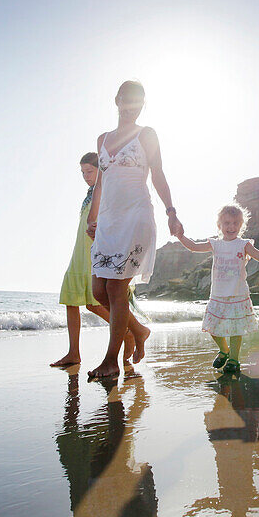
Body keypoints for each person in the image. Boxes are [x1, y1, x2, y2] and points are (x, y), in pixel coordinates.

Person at [86, 80, 183, 379]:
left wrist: (171, 212)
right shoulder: (102, 138)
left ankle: (111, 360)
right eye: (127, 101)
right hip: (108, 221)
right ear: (116, 100)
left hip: (136, 217)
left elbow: (158, 174)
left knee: (116, 288)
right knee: (98, 290)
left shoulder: (146, 134)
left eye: (137, 103)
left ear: (142, 106)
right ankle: (138, 330)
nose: (131, 107)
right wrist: (93, 217)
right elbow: (100, 183)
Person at [52, 152, 143, 368]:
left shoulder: (108, 191)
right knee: (71, 300)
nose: (85, 176)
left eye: (89, 171)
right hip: (79, 252)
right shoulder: (89, 194)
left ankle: (130, 332)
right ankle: (73, 353)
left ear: (100, 171)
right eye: (82, 172)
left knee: (95, 303)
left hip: (97, 250)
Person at [175, 204, 259, 375]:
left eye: (236, 223)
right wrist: (180, 236)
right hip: (218, 295)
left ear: (241, 225)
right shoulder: (215, 244)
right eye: (227, 223)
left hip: (238, 294)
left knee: (237, 329)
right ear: (219, 225)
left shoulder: (244, 244)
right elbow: (193, 246)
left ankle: (234, 360)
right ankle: (224, 350)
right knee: (212, 327)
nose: (231, 227)